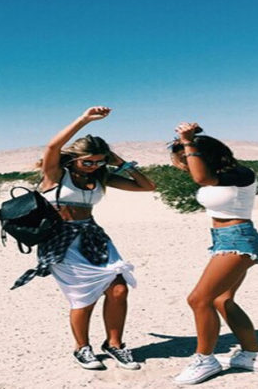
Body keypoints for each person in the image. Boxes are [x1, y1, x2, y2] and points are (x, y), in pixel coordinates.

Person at [11, 106, 156, 370]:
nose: (93, 166)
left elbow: (147, 186)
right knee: (83, 298)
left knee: (119, 289)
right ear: (75, 158)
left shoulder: (102, 177)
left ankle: (114, 345)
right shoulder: (57, 174)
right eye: (88, 162)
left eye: (99, 162)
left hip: (94, 237)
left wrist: (120, 163)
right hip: (61, 241)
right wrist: (84, 119)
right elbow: (53, 146)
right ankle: (82, 348)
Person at [169, 122, 258, 385]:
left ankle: (205, 359)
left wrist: (187, 141)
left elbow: (201, 179)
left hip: (239, 239)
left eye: (186, 158)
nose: (183, 164)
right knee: (222, 300)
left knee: (198, 300)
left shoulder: (241, 174)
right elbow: (201, 176)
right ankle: (253, 356)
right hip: (224, 239)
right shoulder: (218, 176)